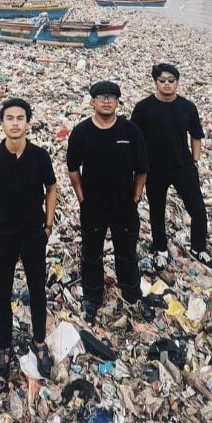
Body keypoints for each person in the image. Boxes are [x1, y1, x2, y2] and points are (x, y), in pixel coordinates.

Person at [0, 98, 56, 380]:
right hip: (3, 233)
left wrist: (48, 224)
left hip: (34, 232)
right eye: (10, 118)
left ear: (27, 123)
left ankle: (39, 343)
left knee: (37, 290)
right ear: (2, 123)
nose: (15, 123)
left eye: (20, 118)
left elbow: (52, 188)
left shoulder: (40, 156)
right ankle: (5, 347)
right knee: (2, 292)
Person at [67, 81, 148, 323]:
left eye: (112, 96)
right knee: (91, 253)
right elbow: (73, 169)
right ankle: (92, 297)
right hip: (93, 205)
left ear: (117, 101)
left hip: (124, 204)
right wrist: (82, 198)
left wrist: (135, 197)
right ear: (92, 101)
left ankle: (131, 294)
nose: (106, 100)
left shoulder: (130, 131)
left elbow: (142, 169)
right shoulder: (82, 132)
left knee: (127, 252)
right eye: (101, 96)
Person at [131, 63, 212, 270]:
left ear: (177, 82)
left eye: (171, 80)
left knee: (197, 210)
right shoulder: (143, 108)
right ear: (155, 82)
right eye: (163, 81)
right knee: (157, 211)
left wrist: (195, 160)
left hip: (183, 166)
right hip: (154, 169)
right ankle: (160, 248)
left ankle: (198, 247)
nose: (167, 84)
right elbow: (135, 138)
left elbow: (196, 135)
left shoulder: (187, 107)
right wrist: (137, 166)